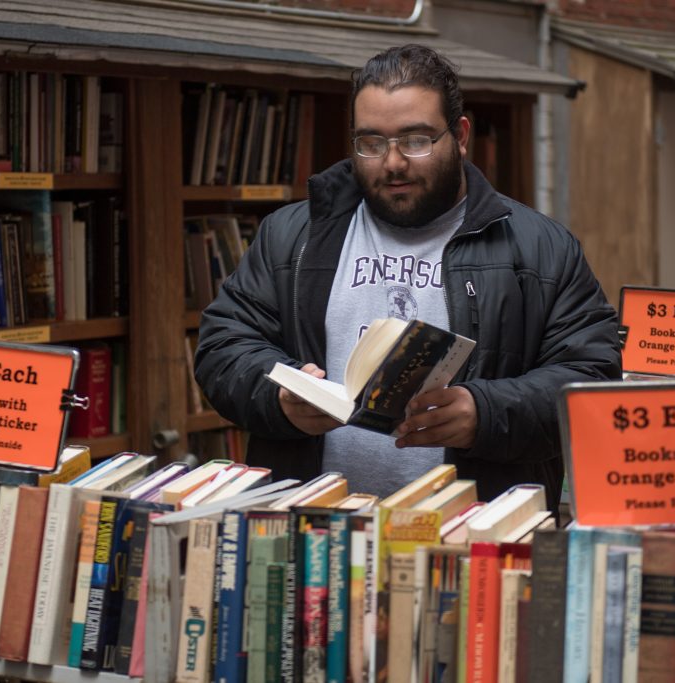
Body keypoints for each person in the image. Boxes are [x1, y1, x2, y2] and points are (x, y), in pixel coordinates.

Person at [193, 44, 620, 510]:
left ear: (459, 135)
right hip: (314, 536)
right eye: (372, 143)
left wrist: (485, 413)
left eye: (415, 140)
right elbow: (222, 347)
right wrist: (279, 396)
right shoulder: (291, 236)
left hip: (473, 536)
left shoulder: (541, 248)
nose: (393, 162)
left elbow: (591, 378)